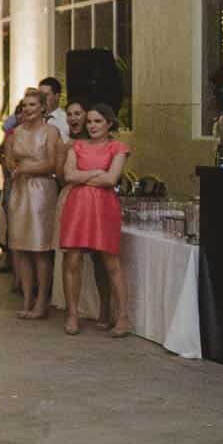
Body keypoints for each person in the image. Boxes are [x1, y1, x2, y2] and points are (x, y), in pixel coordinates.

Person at [58, 103, 132, 337]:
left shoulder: (118, 147)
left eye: (98, 121)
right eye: (89, 121)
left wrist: (83, 178)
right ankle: (72, 315)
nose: (92, 126)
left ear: (109, 123)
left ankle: (121, 317)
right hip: (77, 206)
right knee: (72, 260)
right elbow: (68, 175)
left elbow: (111, 180)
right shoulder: (77, 146)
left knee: (110, 262)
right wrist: (95, 174)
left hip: (104, 207)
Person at [4, 88, 64, 320]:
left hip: (41, 191)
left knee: (40, 249)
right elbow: (10, 158)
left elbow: (52, 164)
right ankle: (27, 298)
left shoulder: (51, 131)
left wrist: (26, 168)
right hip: (19, 190)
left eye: (32, 105)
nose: (28, 109)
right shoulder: (16, 132)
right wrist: (11, 165)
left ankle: (42, 302)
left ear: (42, 107)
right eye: (25, 105)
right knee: (21, 248)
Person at [39, 76, 71, 141]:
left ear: (57, 96)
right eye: (40, 95)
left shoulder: (67, 120)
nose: (42, 98)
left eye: (46, 95)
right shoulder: (33, 118)